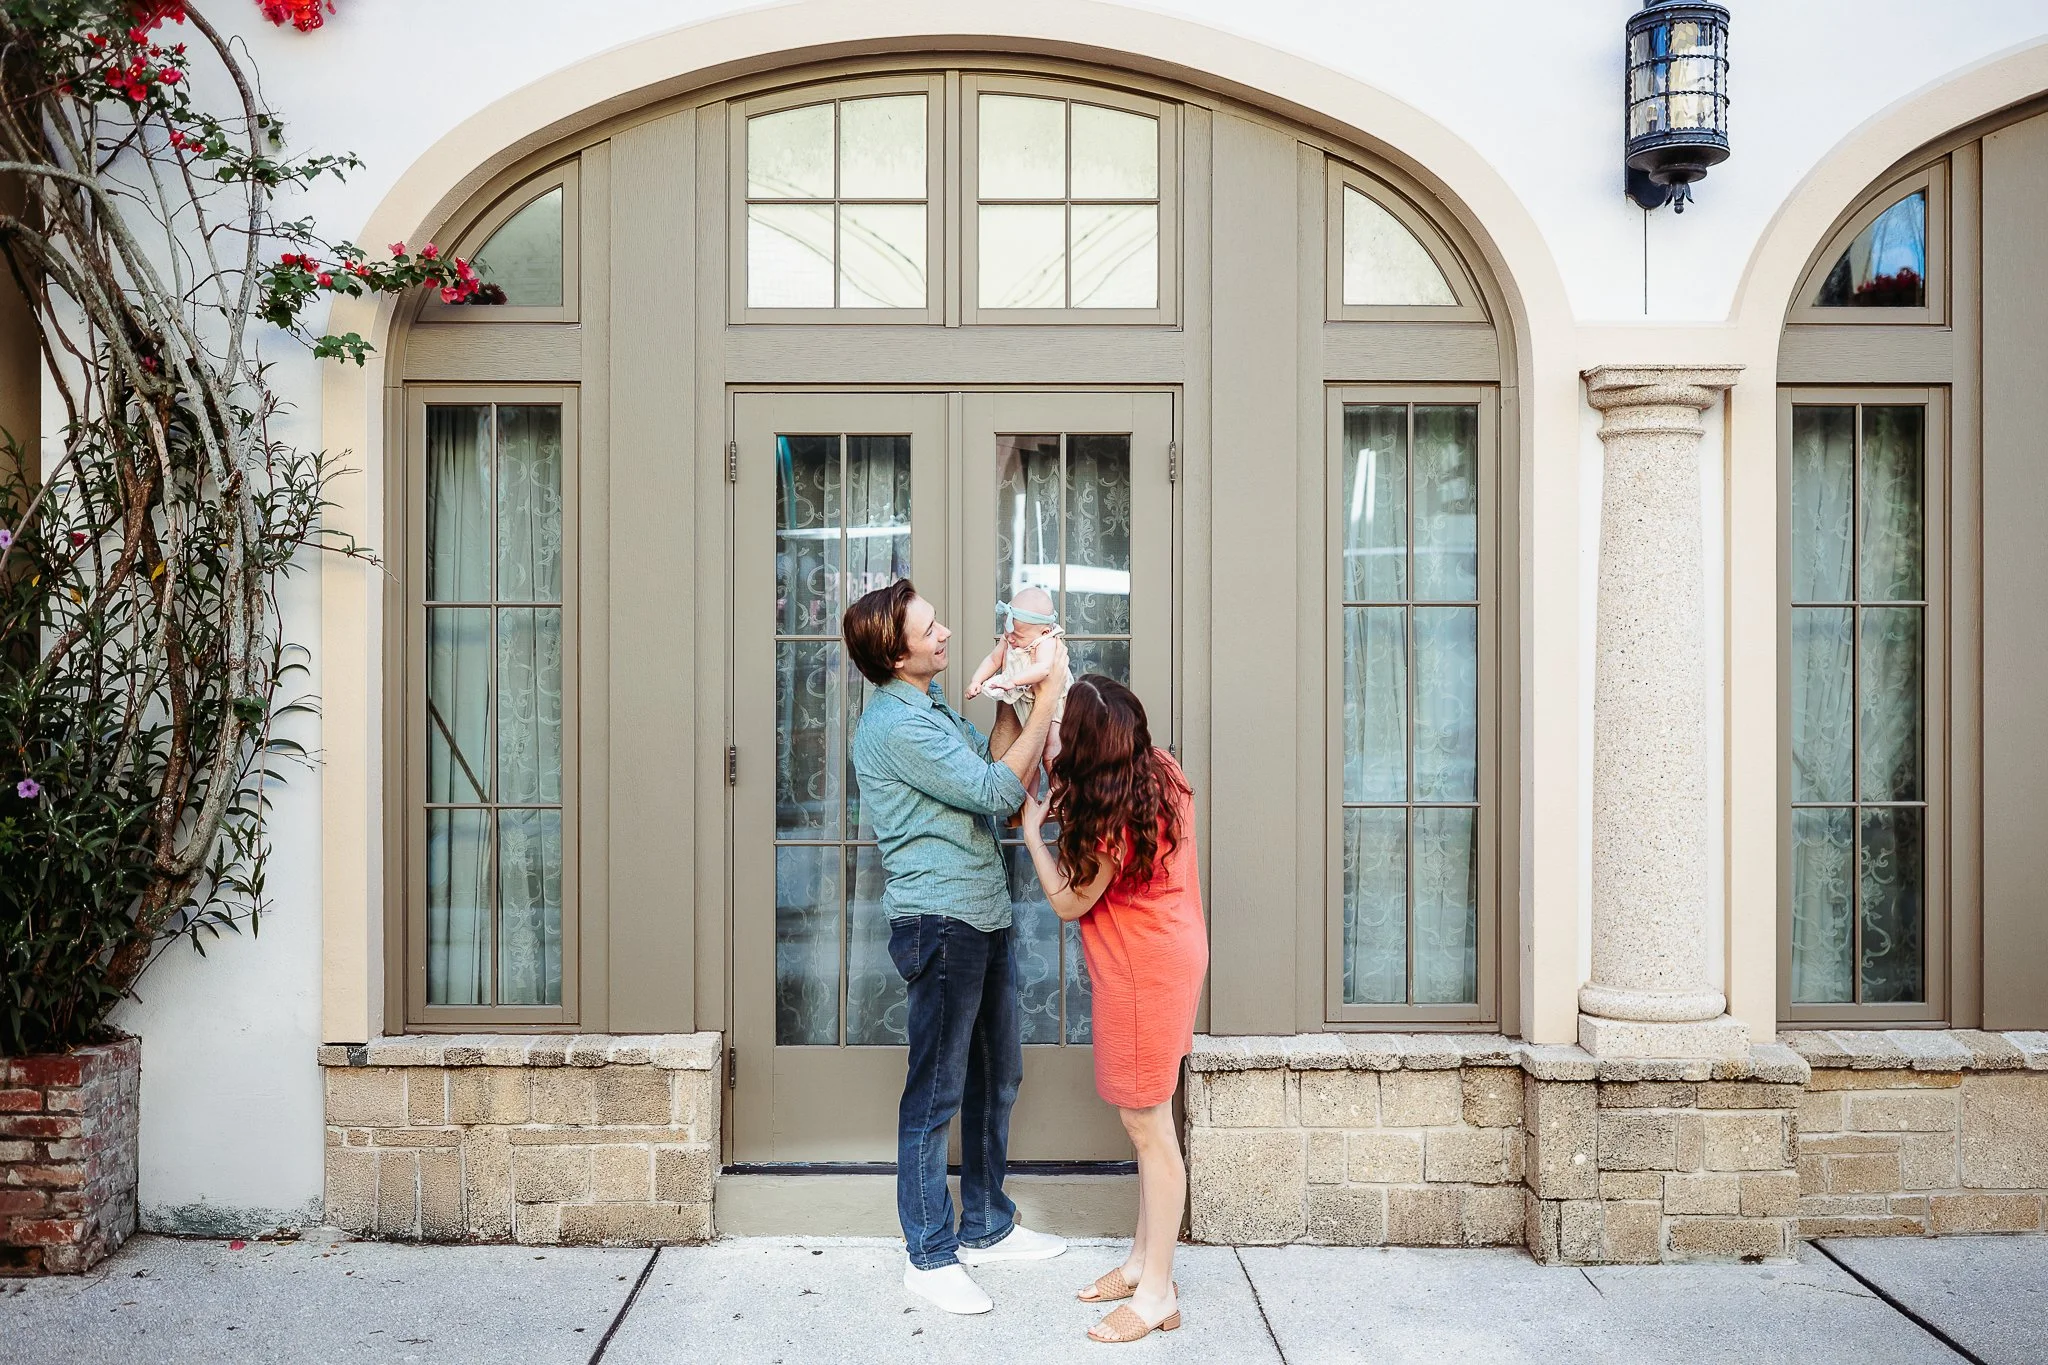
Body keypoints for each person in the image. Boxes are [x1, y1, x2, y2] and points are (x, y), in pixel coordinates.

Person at [842, 579, 1072, 1316]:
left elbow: (993, 763)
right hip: (939, 921)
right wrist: (1051, 686)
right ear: (896, 652)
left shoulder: (932, 706)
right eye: (930, 628)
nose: (946, 633)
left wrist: (1011, 691)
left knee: (995, 1076)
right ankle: (929, 1254)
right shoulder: (895, 727)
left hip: (980, 911)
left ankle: (985, 1224)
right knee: (936, 1092)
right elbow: (1002, 794)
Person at [1017, 675, 1207, 1345]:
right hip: (1170, 955)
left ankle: (1158, 1292)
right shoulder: (1159, 770)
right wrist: (1043, 683)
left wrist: (1033, 833)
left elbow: (1068, 903)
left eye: (1067, 729)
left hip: (1141, 975)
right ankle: (1140, 1264)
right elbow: (1077, 743)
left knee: (1150, 1130)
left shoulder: (1109, 825)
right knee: (1147, 1124)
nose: (1059, 737)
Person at [966, 587, 1072, 782]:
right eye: (1008, 632)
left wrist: (1012, 680)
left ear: (1044, 631)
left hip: (1053, 705)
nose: (1011, 639)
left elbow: (1043, 669)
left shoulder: (1046, 641)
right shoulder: (1011, 637)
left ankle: (1060, 794)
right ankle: (1026, 803)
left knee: (1052, 752)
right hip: (1024, 703)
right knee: (1025, 763)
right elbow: (993, 659)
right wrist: (977, 680)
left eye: (1019, 636)